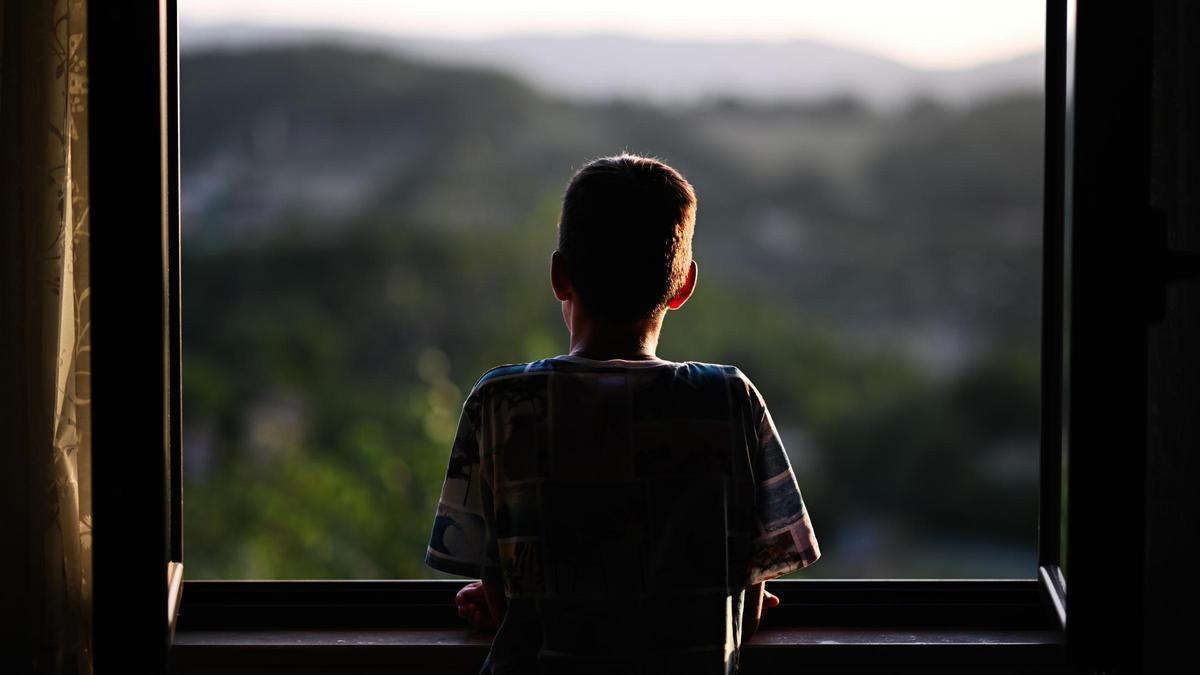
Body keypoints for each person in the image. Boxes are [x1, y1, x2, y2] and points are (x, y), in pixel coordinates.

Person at [424, 153, 821, 675]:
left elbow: (503, 601)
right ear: (684, 286)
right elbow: (745, 605)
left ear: (559, 275)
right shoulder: (730, 400)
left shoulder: (499, 404)